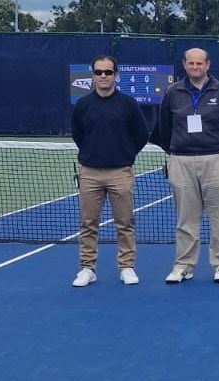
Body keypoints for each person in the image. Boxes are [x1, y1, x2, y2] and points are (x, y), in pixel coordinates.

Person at [154, 48, 219, 284]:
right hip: (181, 161)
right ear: (184, 65)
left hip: (218, 159)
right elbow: (164, 127)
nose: (195, 67)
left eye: (199, 63)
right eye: (191, 63)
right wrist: (177, 151)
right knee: (186, 218)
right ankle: (184, 265)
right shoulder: (173, 92)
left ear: (208, 65)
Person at [69, 55, 149, 287]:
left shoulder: (128, 104)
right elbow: (78, 134)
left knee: (124, 223)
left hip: (120, 173)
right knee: (88, 223)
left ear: (116, 75)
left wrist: (125, 154)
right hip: (89, 173)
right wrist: (92, 153)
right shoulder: (83, 105)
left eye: (108, 72)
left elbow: (141, 134)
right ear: (93, 76)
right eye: (99, 72)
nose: (103, 76)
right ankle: (87, 268)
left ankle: (127, 267)